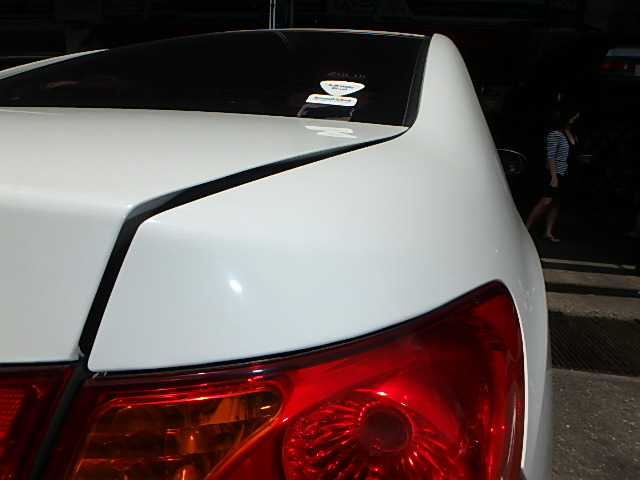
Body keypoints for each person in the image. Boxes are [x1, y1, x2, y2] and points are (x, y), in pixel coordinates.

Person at [525, 107, 581, 242]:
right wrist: (554, 176)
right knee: (546, 201)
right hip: (556, 171)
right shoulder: (555, 134)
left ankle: (548, 232)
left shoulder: (574, 135)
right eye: (573, 118)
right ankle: (525, 229)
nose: (574, 121)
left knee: (557, 203)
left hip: (568, 171)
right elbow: (550, 157)